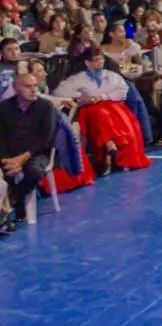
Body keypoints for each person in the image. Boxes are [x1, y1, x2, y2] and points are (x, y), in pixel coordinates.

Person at [51, 48, 151, 176]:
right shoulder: (78, 78)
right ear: (87, 63)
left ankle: (111, 150)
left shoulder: (112, 75)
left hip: (113, 106)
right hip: (90, 109)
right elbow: (59, 92)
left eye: (101, 59)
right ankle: (109, 146)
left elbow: (122, 90)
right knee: (99, 113)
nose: (100, 62)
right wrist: (80, 96)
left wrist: (103, 97)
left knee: (118, 118)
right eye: (96, 60)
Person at [0, 73, 57, 225]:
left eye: (35, 86)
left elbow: (46, 140)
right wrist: (6, 160)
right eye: (27, 86)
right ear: (15, 88)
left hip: (36, 153)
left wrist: (21, 159)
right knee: (4, 173)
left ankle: (15, 200)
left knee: (33, 172)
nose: (33, 90)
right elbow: (1, 137)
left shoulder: (46, 107)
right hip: (9, 154)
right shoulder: (4, 108)